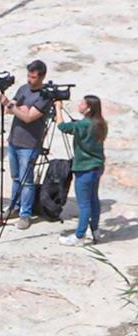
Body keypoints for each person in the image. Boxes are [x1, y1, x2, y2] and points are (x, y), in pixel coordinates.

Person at [1, 59, 53, 224]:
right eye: (28, 76)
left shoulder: (45, 95)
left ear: (42, 77)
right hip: (14, 140)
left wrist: (14, 107)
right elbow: (10, 111)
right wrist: (16, 108)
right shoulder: (23, 89)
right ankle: (14, 207)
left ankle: (26, 213)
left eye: (33, 77)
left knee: (27, 181)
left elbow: (29, 117)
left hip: (29, 144)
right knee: (16, 177)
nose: (29, 80)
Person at [57, 94, 108, 245]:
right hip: (97, 166)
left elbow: (62, 126)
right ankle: (95, 229)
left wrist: (58, 108)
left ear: (88, 108)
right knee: (94, 199)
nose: (79, 105)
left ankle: (79, 236)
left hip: (84, 168)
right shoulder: (100, 123)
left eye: (82, 103)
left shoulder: (82, 125)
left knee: (84, 204)